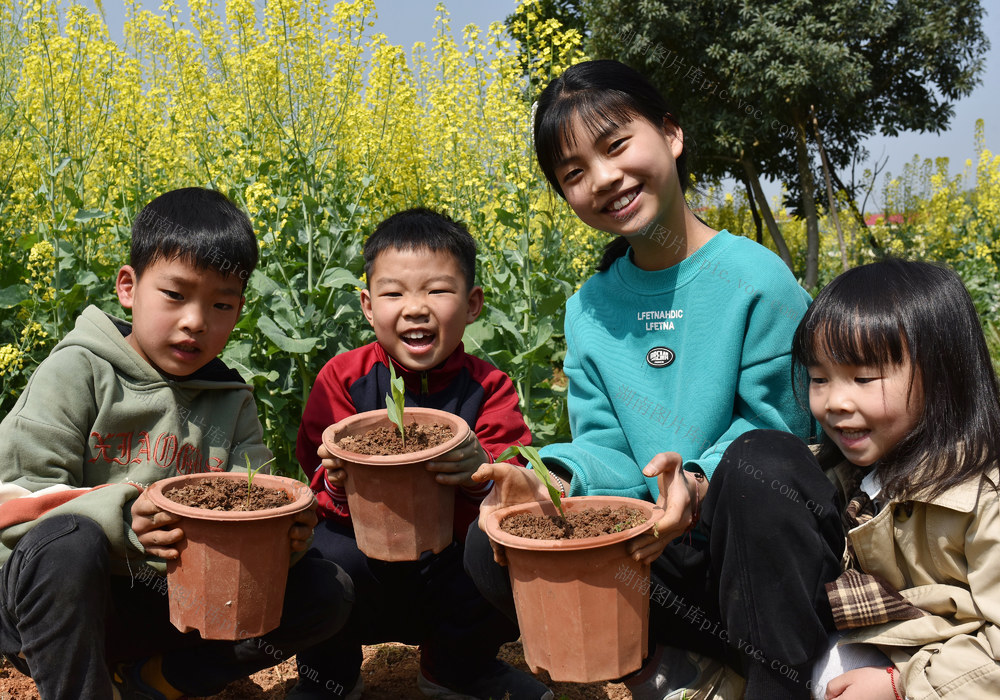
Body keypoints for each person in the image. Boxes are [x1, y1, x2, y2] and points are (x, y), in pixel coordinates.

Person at [464, 59, 842, 699]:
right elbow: (606, 448)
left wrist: (693, 483)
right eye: (574, 173)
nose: (604, 179)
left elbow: (786, 433)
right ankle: (668, 671)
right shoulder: (590, 306)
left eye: (616, 146)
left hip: (758, 555)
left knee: (759, 465)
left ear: (671, 134)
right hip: (656, 554)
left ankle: (779, 684)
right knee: (492, 541)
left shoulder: (756, 278)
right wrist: (549, 477)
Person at [0, 187, 353, 700]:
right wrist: (121, 518)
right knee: (67, 546)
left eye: (221, 304)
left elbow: (255, 498)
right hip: (60, 609)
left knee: (326, 591)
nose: (195, 321)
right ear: (128, 286)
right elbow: (12, 498)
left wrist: (286, 537)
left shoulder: (231, 400)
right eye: (175, 294)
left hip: (174, 604)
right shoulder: (77, 370)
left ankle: (156, 683)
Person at [291, 207, 552, 699]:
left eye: (438, 290)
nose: (416, 308)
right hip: (364, 561)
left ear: (473, 303)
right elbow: (314, 476)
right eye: (394, 293)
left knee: (502, 553)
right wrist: (336, 483)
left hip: (450, 567)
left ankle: (456, 668)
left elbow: (515, 478)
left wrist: (482, 468)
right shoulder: (342, 380)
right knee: (318, 555)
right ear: (368, 306)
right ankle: (330, 674)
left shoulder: (489, 386)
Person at [794, 259, 1000, 699]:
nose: (835, 402)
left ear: (943, 374)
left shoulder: (984, 498)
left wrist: (901, 685)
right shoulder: (841, 472)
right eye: (818, 378)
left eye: (863, 377)